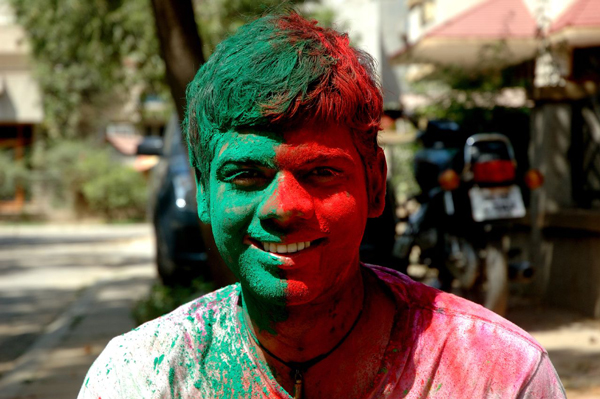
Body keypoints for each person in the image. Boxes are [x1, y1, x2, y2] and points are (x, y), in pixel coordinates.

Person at [78, 12, 566, 399]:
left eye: (321, 173)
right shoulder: (142, 380)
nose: (283, 208)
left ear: (375, 185)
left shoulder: (497, 376)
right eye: (247, 175)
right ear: (204, 193)